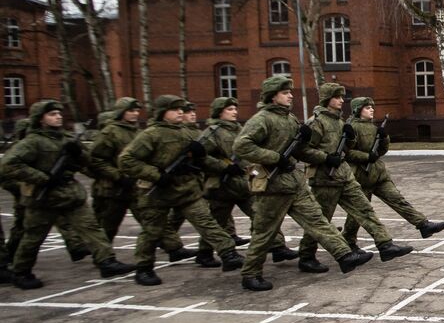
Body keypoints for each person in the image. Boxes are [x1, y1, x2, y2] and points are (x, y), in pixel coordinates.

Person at [233, 75, 372, 291]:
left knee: (317, 219)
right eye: (285, 92)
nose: (290, 96)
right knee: (265, 231)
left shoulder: (290, 119)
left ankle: (343, 255)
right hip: (272, 186)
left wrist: (304, 141)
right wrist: (274, 157)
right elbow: (241, 146)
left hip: (293, 181)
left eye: (290, 92)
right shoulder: (262, 119)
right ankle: (250, 273)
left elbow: (301, 151)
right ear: (272, 96)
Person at [0, 99, 136, 290]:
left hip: (70, 194)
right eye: (52, 114)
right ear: (40, 119)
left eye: (59, 114)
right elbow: (8, 165)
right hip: (43, 197)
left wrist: (78, 153)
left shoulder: (67, 138)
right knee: (33, 236)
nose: (58, 117)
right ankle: (21, 271)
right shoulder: (32, 141)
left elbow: (87, 162)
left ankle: (106, 262)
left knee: (92, 228)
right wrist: (42, 177)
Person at [118, 94, 244, 286]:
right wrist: (155, 174)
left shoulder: (187, 133)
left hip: (186, 190)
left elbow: (202, 159)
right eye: (174, 109)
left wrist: (223, 166)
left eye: (181, 109)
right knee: (152, 232)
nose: (180, 113)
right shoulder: (150, 134)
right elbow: (126, 160)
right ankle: (144, 268)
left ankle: (229, 254)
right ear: (162, 113)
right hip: (157, 192)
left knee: (207, 222)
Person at [295, 83, 414, 271]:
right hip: (324, 178)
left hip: (344, 175)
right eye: (337, 97)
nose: (342, 100)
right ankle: (306, 256)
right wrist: (325, 157)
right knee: (321, 219)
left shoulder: (341, 122)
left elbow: (348, 149)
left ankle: (385, 245)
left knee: (364, 209)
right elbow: (302, 150)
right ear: (327, 99)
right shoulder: (316, 122)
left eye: (342, 97)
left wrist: (349, 139)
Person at [196, 96, 296, 268]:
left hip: (243, 184)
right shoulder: (212, 132)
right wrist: (223, 167)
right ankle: (204, 254)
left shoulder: (240, 129)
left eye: (235, 108)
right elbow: (200, 158)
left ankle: (278, 247)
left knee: (261, 216)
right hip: (222, 186)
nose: (234, 112)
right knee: (217, 221)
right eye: (229, 109)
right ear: (219, 112)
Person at [340, 96, 444, 246]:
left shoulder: (373, 126)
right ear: (358, 110)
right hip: (361, 175)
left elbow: (381, 151)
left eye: (372, 107)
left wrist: (384, 138)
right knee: (359, 213)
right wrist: (366, 156)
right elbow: (347, 152)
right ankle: (349, 240)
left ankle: (423, 225)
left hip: (378, 174)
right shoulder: (352, 127)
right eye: (367, 107)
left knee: (397, 200)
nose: (371, 110)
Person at [87, 98, 143, 241]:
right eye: (131, 111)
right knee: (108, 226)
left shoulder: (137, 132)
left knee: (151, 220)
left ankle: (172, 248)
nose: (135, 114)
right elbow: (96, 159)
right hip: (112, 189)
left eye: (137, 111)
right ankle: (103, 257)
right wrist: (118, 176)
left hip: (135, 187)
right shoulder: (110, 132)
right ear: (121, 112)